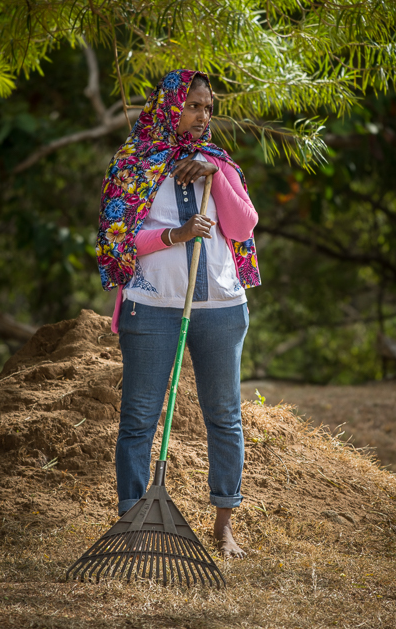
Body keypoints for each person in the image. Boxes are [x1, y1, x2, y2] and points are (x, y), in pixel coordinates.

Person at [96, 69, 261, 557]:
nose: (201, 116)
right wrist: (175, 235)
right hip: (151, 306)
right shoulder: (134, 164)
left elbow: (244, 224)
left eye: (208, 108)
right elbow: (116, 241)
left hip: (221, 307)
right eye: (193, 106)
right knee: (139, 417)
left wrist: (213, 174)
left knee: (224, 416)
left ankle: (223, 524)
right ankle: (133, 523)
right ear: (169, 106)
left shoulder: (218, 162)